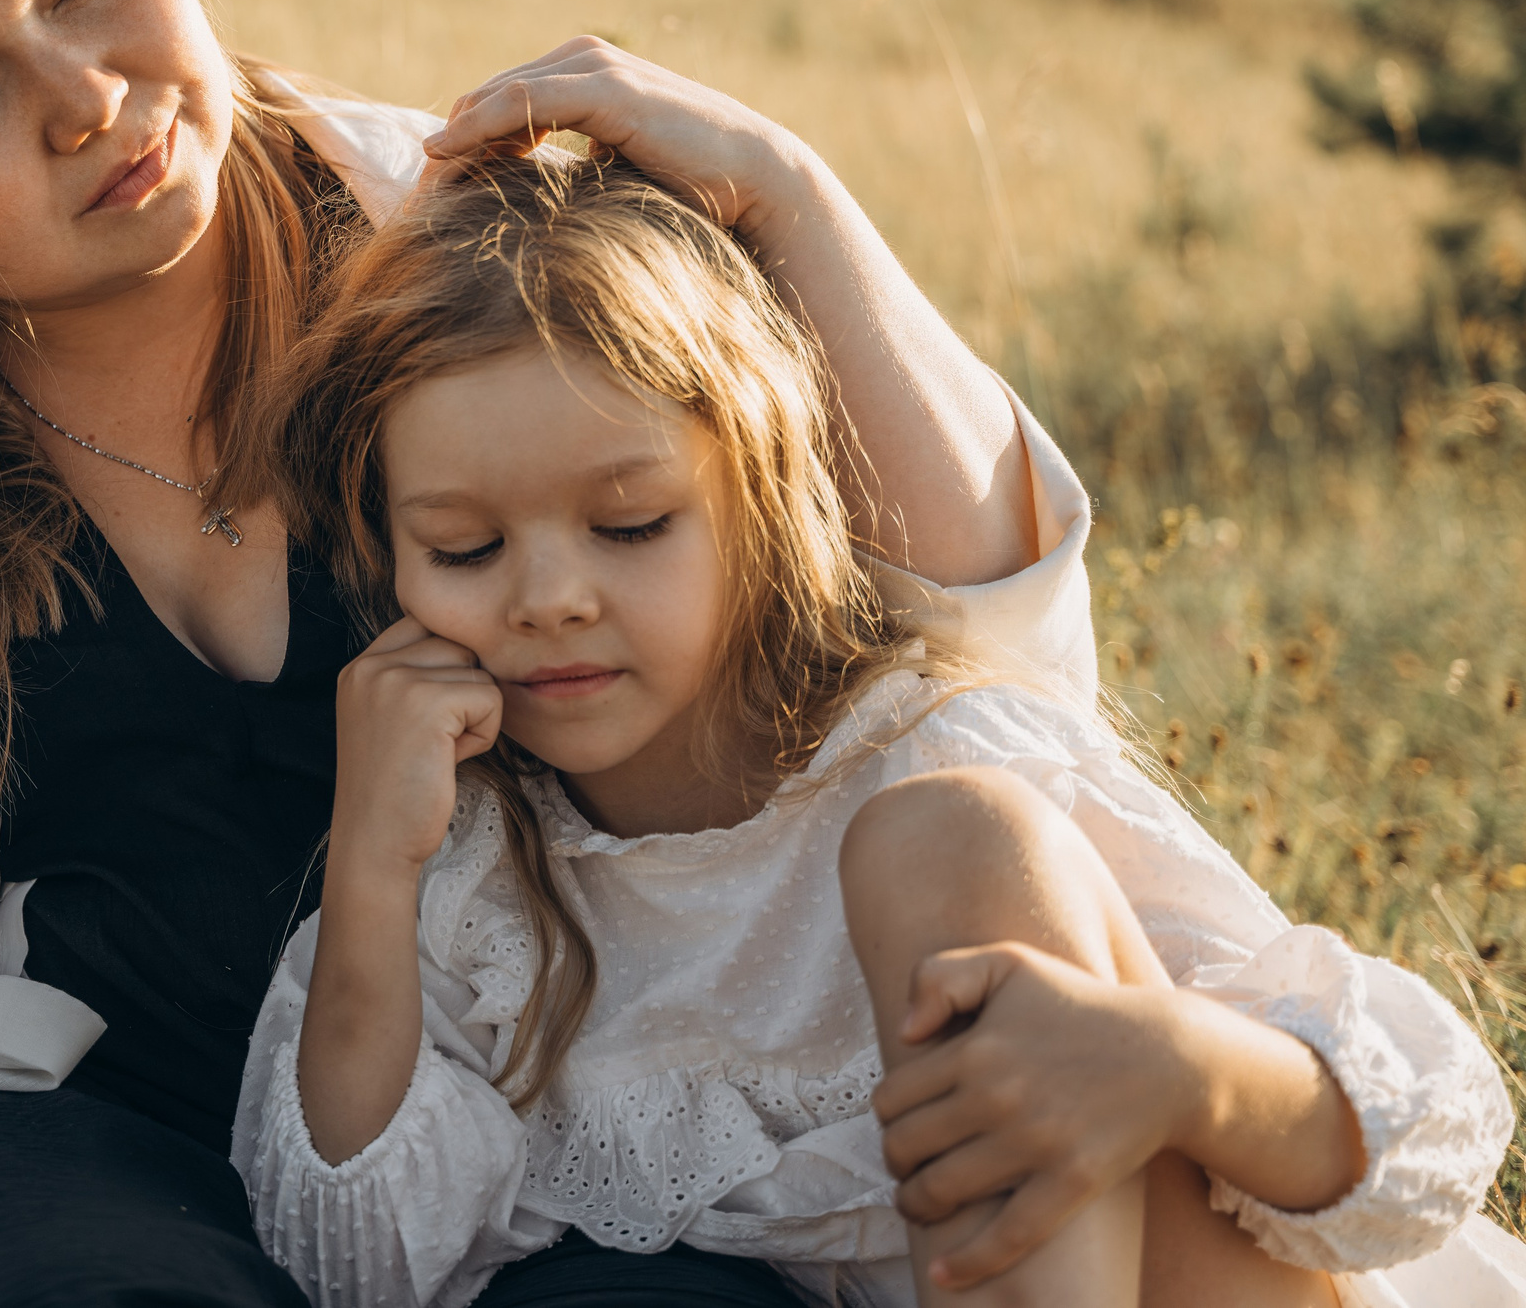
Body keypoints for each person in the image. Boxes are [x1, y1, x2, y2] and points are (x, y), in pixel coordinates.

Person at [0, 0, 1102, 1308]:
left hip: (562, 1146)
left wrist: (790, 194)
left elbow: (985, 659)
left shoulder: (468, 249)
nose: (88, 98)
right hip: (129, 1143)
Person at [228, 152, 1525, 1308]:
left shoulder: (932, 749)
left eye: (630, 524)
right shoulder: (485, 875)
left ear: (764, 492)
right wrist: (370, 862)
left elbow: (1438, 1135)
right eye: (464, 545)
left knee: (950, 840)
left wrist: (1180, 1065)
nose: (549, 594)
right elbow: (361, 1265)